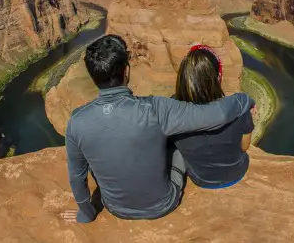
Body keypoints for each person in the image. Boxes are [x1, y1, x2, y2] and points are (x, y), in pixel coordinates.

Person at [65, 35, 255, 223]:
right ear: (127, 71)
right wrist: (244, 100)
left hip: (115, 208)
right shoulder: (157, 109)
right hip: (163, 204)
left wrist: (87, 214)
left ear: (93, 76)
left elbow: (76, 176)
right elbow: (216, 114)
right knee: (172, 148)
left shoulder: (76, 122)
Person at [171, 45, 255, 189]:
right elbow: (245, 146)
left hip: (200, 178)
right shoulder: (238, 109)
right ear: (218, 78)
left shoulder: (171, 112)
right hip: (235, 173)